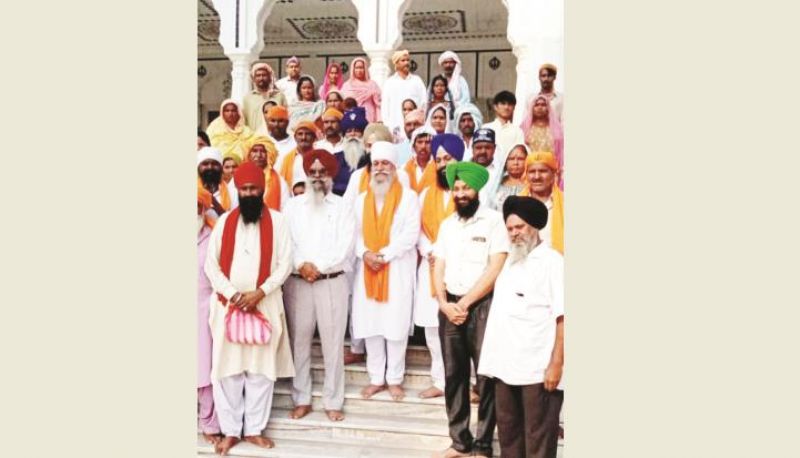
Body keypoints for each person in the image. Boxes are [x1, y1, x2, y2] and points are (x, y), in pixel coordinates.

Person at [203, 161, 295, 455]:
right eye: (244, 189)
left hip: (264, 306)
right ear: (238, 191)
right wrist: (233, 294)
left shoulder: (278, 221)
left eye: (254, 188)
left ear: (263, 189)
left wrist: (260, 292)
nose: (249, 193)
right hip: (228, 308)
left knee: (260, 371)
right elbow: (211, 266)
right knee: (227, 371)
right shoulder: (224, 222)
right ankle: (230, 431)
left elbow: (285, 264)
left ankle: (253, 429)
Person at [432, 161, 509, 458]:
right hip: (449, 306)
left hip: (482, 306)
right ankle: (459, 442)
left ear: (477, 190)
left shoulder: (493, 221)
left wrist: (463, 303)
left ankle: (483, 444)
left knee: (487, 377)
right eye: (457, 188)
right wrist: (443, 302)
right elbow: (438, 265)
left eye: (467, 188)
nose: (461, 193)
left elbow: (496, 266)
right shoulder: (447, 225)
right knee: (454, 376)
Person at [478, 195, 564, 458]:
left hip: (537, 370)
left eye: (520, 227)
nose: (514, 233)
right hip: (504, 368)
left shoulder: (553, 262)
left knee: (538, 439)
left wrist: (557, 364)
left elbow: (564, 316)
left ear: (535, 227)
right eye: (510, 228)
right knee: (509, 435)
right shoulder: (510, 263)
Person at [283, 149, 355, 423]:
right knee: (299, 342)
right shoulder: (292, 206)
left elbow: (345, 246)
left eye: (321, 172)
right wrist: (302, 264)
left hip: (331, 282)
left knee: (333, 344)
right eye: (311, 172)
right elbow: (286, 242)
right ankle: (301, 398)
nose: (316, 177)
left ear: (330, 175)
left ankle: (332, 400)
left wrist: (317, 268)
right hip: (298, 282)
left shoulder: (342, 206)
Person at [352, 141, 421, 401]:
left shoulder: (409, 197)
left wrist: (385, 255)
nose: (380, 169)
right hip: (368, 270)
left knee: (395, 325)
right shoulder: (360, 201)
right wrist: (366, 254)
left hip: (397, 269)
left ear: (394, 168)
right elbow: (354, 234)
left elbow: (411, 233)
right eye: (376, 164)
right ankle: (375, 378)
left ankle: (394, 378)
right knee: (371, 325)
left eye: (385, 164)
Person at [414, 133, 464, 399]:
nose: (443, 164)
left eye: (448, 158)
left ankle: (465, 383)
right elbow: (418, 229)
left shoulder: (469, 191)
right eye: (439, 159)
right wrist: (430, 250)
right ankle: (440, 381)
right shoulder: (424, 194)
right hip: (431, 268)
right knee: (433, 329)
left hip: (461, 269)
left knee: (460, 328)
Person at [197, 186, 222, 445]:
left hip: (206, 308)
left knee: (205, 367)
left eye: (196, 206)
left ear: (204, 208)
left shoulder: (214, 235)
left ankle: (209, 420)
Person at [520, 151, 564, 254]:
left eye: (543, 171)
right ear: (526, 174)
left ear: (554, 174)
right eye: (531, 171)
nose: (537, 176)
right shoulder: (516, 204)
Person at [520, 95, 564, 189]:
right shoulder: (524, 128)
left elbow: (560, 153)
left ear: (548, 108)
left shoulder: (557, 129)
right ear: (532, 108)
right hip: (530, 172)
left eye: (543, 105)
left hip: (551, 172)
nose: (540, 107)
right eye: (537, 105)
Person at [381, 49, 427, 137]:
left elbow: (423, 103)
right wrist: (388, 126)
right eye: (403, 60)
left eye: (408, 60)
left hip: (415, 126)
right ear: (396, 63)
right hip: (395, 127)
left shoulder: (417, 80)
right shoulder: (389, 83)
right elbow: (385, 107)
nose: (406, 63)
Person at [245, 136, 291, 211]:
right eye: (255, 151)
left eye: (263, 151)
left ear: (269, 154)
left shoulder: (280, 181)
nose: (259, 155)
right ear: (249, 154)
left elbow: (285, 209)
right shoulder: (241, 177)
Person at [198, 146, 238, 229]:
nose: (210, 167)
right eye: (205, 164)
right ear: (199, 168)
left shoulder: (233, 193)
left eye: (214, 164)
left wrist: (213, 201)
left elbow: (234, 224)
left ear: (221, 167)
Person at [333, 107, 370, 196]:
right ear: (344, 135)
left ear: (363, 134)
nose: (353, 134)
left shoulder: (370, 159)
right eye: (349, 131)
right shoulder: (335, 159)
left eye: (357, 131)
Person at [243, 62, 287, 132]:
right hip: (254, 138)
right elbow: (244, 120)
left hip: (275, 137)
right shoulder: (248, 98)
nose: (261, 78)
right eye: (258, 75)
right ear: (253, 78)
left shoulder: (279, 96)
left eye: (264, 75)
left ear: (270, 77)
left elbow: (285, 117)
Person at [482, 91, 525, 159]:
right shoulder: (485, 128)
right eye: (503, 103)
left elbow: (519, 152)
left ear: (514, 108)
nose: (506, 107)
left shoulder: (518, 131)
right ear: (495, 107)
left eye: (510, 104)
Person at [486, 144, 529, 211]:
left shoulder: (532, 184)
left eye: (520, 159)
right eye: (511, 159)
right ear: (505, 161)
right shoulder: (496, 184)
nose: (516, 163)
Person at [278, 120, 319, 191]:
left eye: (308, 134)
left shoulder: (320, 157)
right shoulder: (287, 158)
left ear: (314, 137)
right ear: (295, 137)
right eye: (300, 134)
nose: (303, 137)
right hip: (293, 199)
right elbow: (282, 183)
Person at [341, 57, 382, 122]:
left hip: (370, 116)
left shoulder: (373, 84)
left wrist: (379, 119)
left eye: (361, 67)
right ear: (353, 69)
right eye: (357, 68)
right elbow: (344, 105)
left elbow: (378, 105)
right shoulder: (347, 85)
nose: (359, 70)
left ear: (365, 68)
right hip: (352, 117)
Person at [259, 106, 297, 170]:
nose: (276, 125)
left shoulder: (295, 142)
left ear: (287, 122)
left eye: (280, 121)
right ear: (267, 123)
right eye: (273, 121)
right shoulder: (263, 142)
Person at [403, 126, 437, 194]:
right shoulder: (404, 168)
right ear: (413, 145)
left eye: (427, 142)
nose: (423, 146)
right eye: (419, 142)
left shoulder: (439, 167)